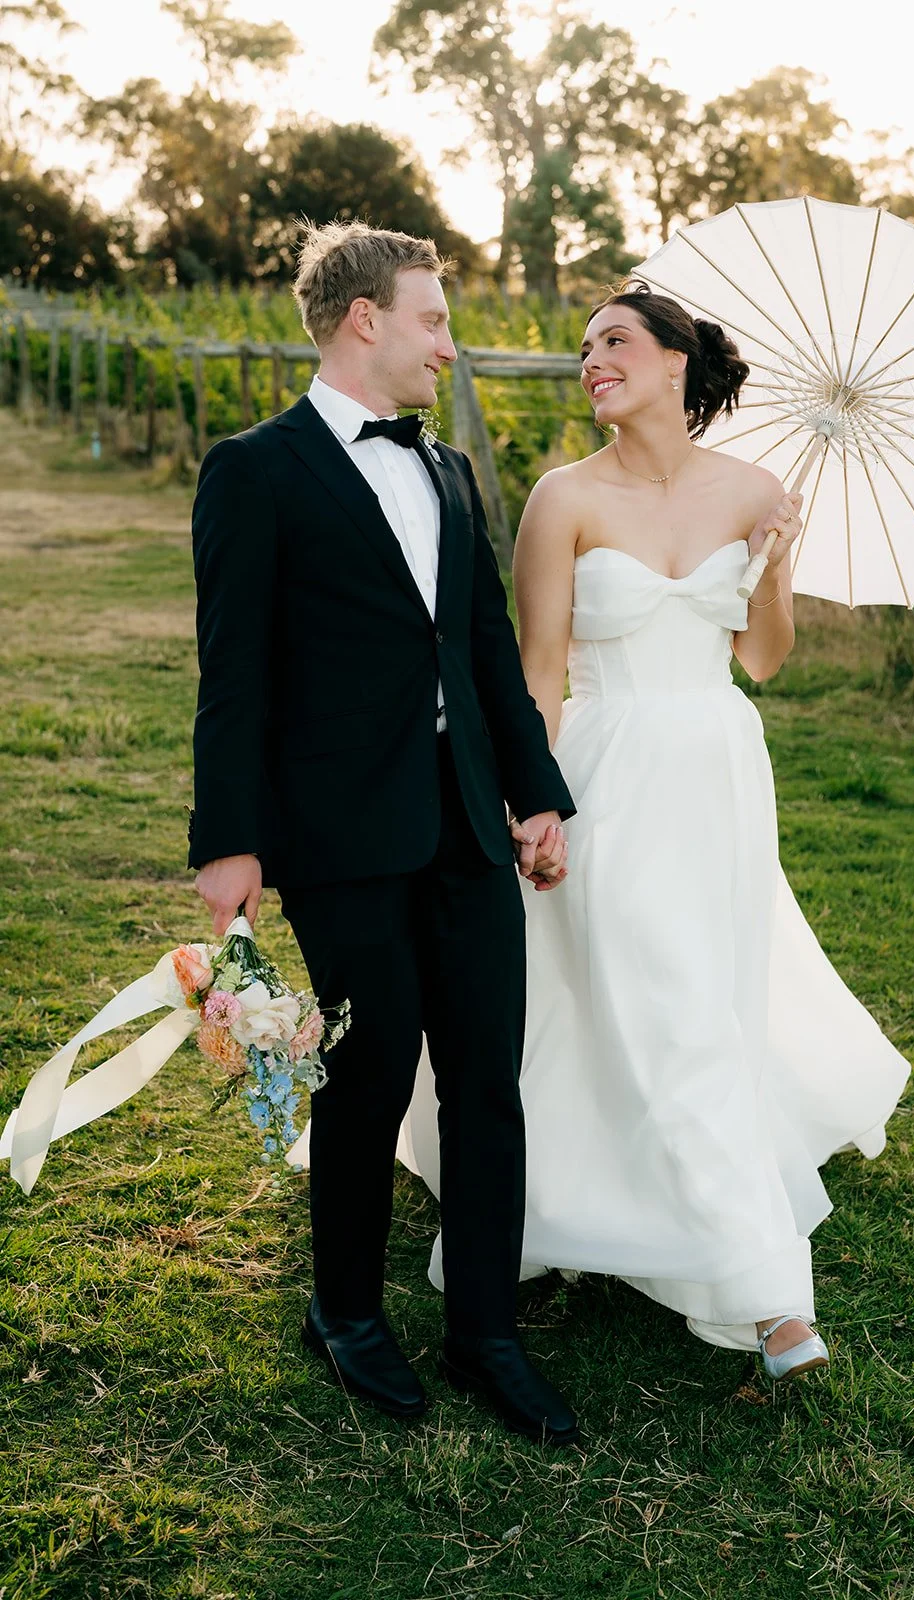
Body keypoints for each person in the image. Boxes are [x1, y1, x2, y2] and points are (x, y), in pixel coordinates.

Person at [401, 281, 910, 1379]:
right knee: (660, 995)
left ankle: (614, 1199)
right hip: (608, 765)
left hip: (720, 771)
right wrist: (531, 800)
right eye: (583, 347)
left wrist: (774, 561)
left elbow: (761, 659)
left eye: (614, 341)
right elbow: (539, 671)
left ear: (677, 363)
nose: (591, 360)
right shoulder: (561, 498)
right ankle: (766, 1296)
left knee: (697, 998)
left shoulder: (757, 489)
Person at [187, 221, 578, 1443]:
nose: (444, 342)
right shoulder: (254, 471)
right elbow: (232, 672)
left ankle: (484, 1333)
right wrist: (229, 842)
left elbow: (483, 655)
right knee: (369, 1067)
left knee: (486, 1078)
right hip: (339, 831)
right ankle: (345, 1311)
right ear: (365, 317)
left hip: (466, 823)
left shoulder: (454, 471)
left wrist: (537, 790)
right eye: (433, 317)